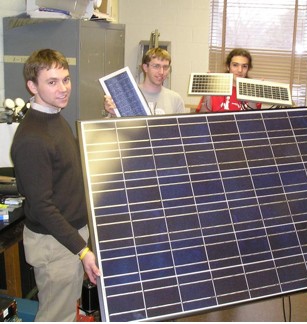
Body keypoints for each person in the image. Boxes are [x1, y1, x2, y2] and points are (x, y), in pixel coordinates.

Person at [10, 49, 100, 322]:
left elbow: (68, 172)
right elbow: (42, 206)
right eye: (52, 82)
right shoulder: (32, 139)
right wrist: (81, 249)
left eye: (66, 79)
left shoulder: (55, 117)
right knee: (56, 317)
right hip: (55, 243)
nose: (63, 89)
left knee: (66, 311)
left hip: (70, 236)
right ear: (32, 86)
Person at [105, 47, 186, 116]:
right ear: (145, 67)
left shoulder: (176, 99)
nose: (161, 72)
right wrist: (114, 113)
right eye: (156, 66)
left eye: (165, 67)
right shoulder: (128, 96)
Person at [197, 48, 261, 112]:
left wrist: (253, 97)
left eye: (244, 66)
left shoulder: (253, 91)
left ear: (248, 69)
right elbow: (202, 118)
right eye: (235, 65)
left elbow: (254, 120)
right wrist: (207, 92)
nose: (240, 70)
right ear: (228, 67)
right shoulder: (214, 87)